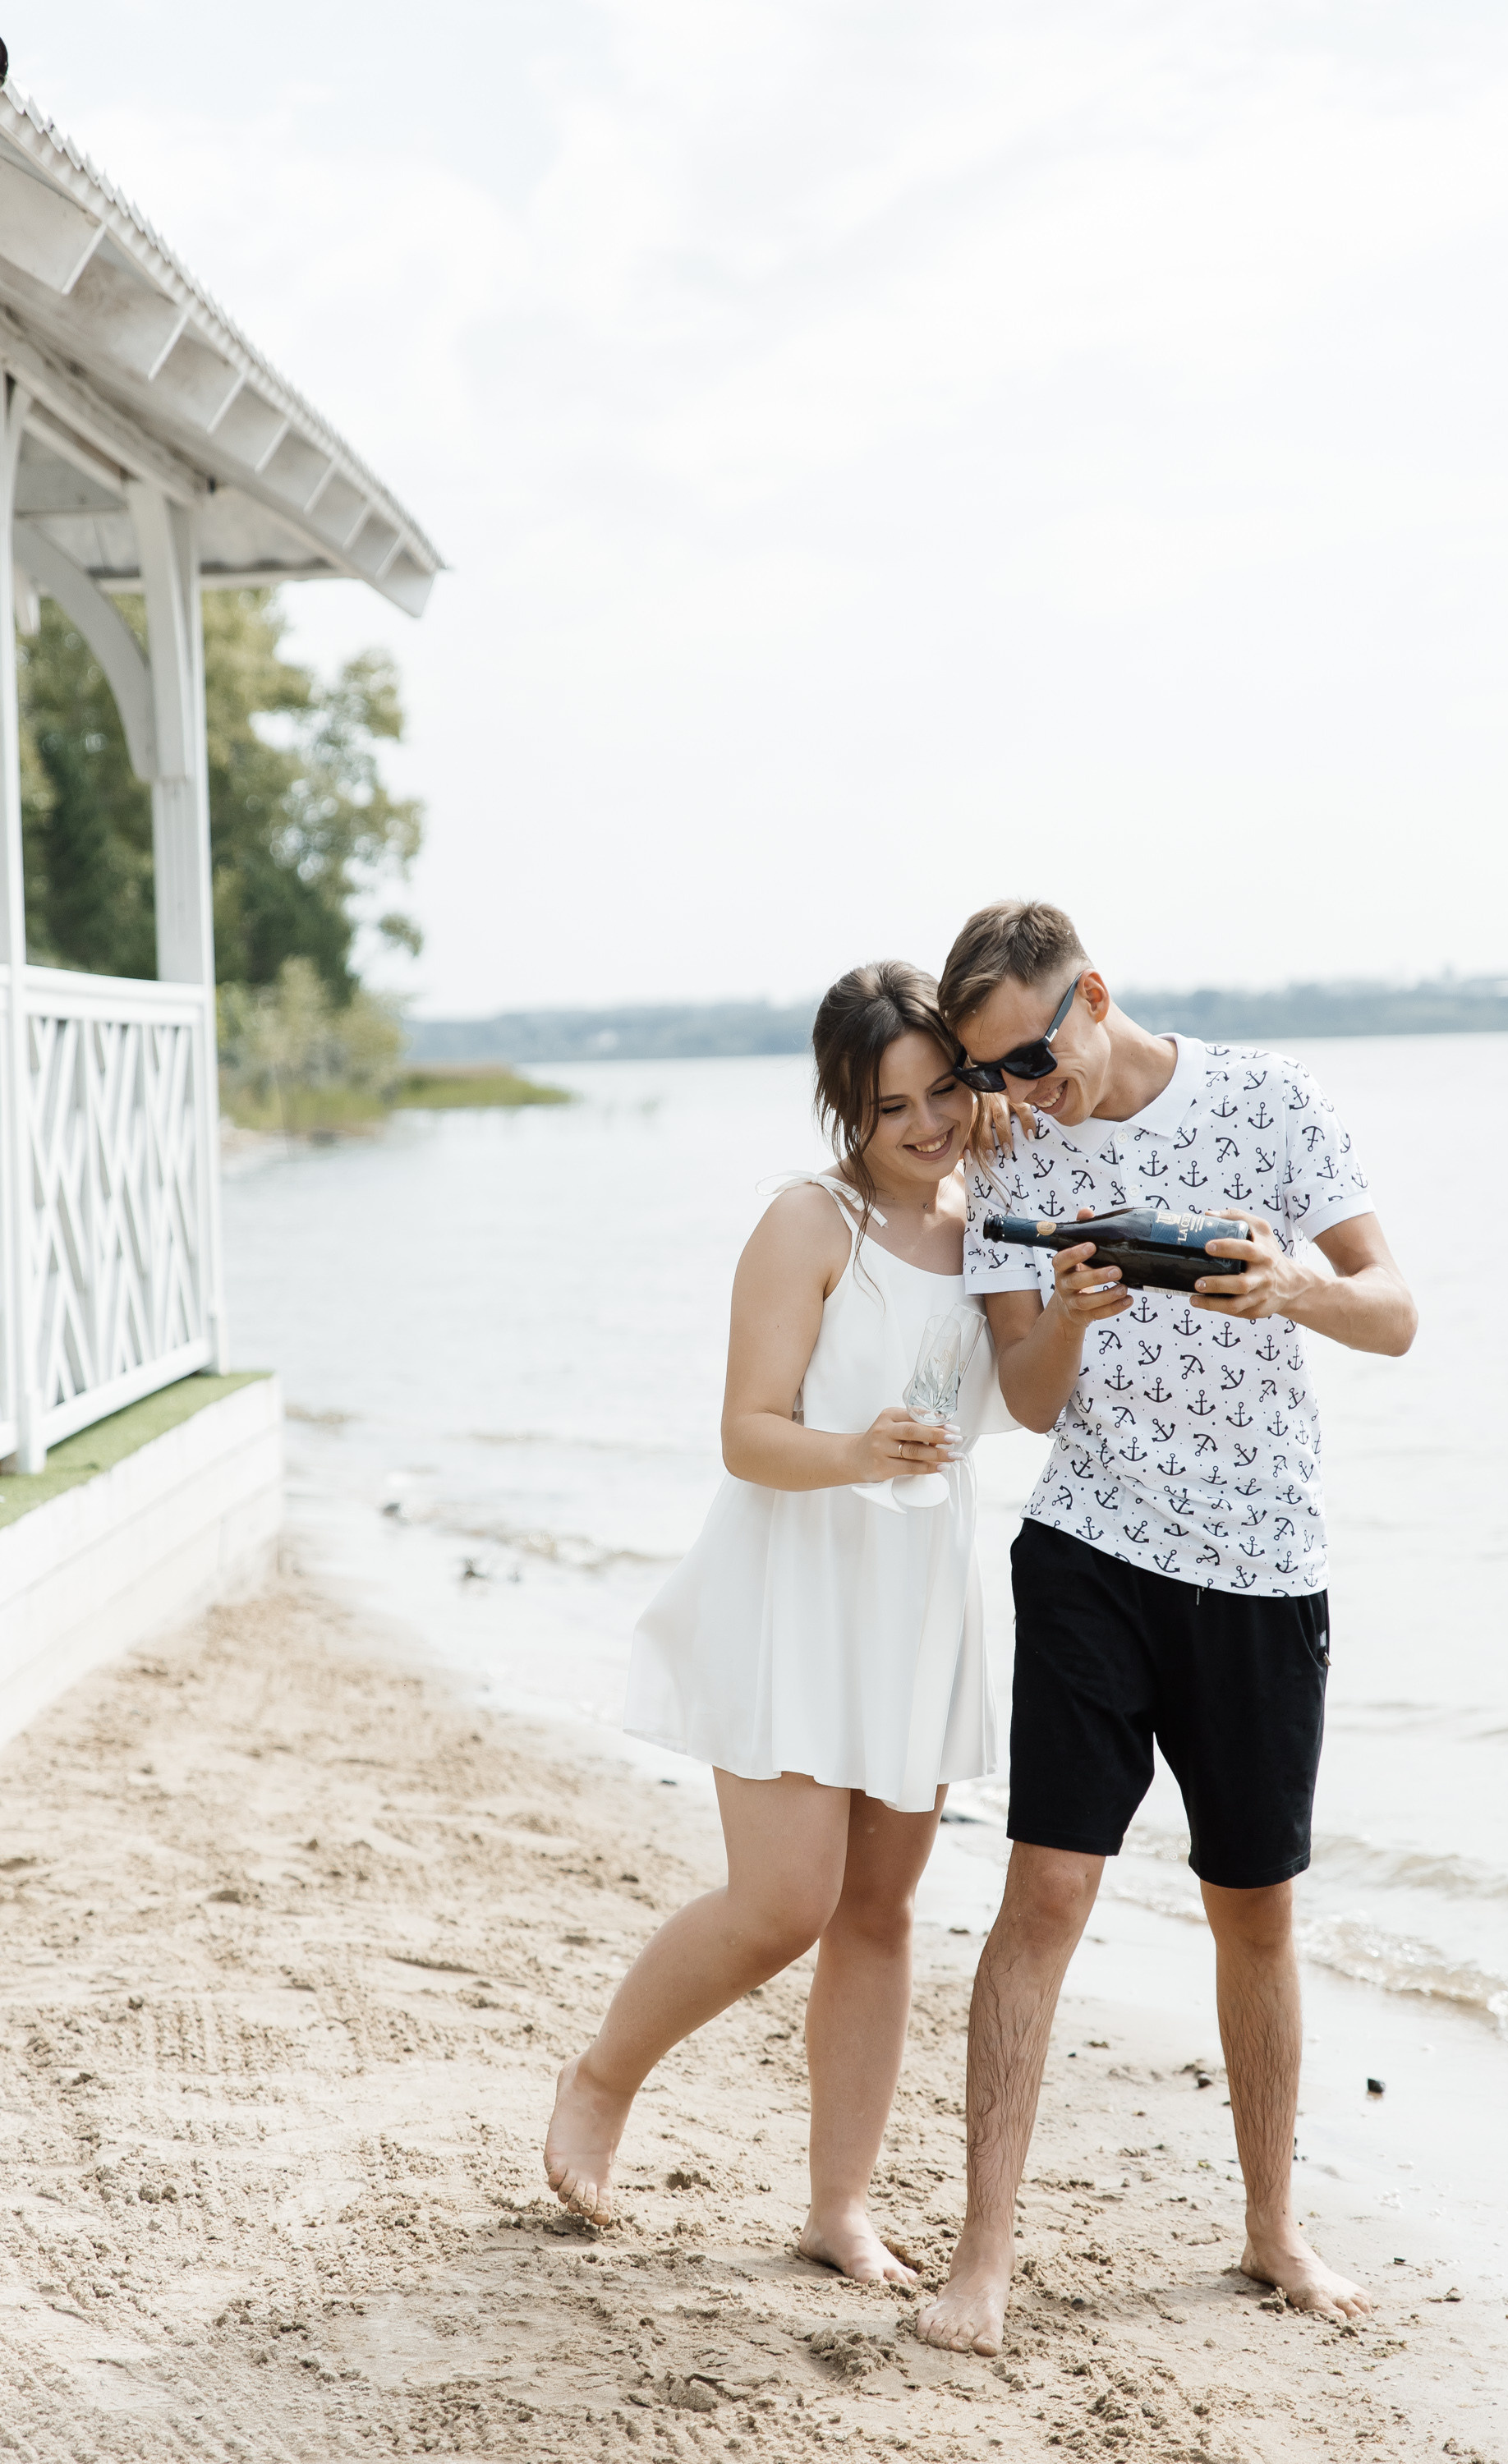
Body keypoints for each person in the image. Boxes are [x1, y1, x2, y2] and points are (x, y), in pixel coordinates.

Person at [914, 900, 1417, 2354]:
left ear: (1093, 998)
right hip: (1091, 1552)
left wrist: (1300, 1289)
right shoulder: (1015, 1155)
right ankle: (982, 2261)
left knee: (1254, 1907)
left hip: (1268, 1568)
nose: (1017, 1092)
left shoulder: (1271, 1100)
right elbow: (1026, 1402)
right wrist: (1066, 1308)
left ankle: (1271, 2233)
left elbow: (1394, 1312)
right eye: (989, 1071)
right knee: (1047, 1894)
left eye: (1028, 1057)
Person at [544, 959, 1013, 2282]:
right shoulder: (811, 1226)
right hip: (796, 1584)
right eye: (891, 1108)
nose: (927, 1127)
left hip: (916, 1594)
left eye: (944, 1093)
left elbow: (1021, 1398)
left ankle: (837, 2208)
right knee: (784, 1902)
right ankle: (603, 2077)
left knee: (880, 1909)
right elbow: (747, 1436)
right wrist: (860, 1454)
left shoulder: (993, 1221)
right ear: (848, 1116)